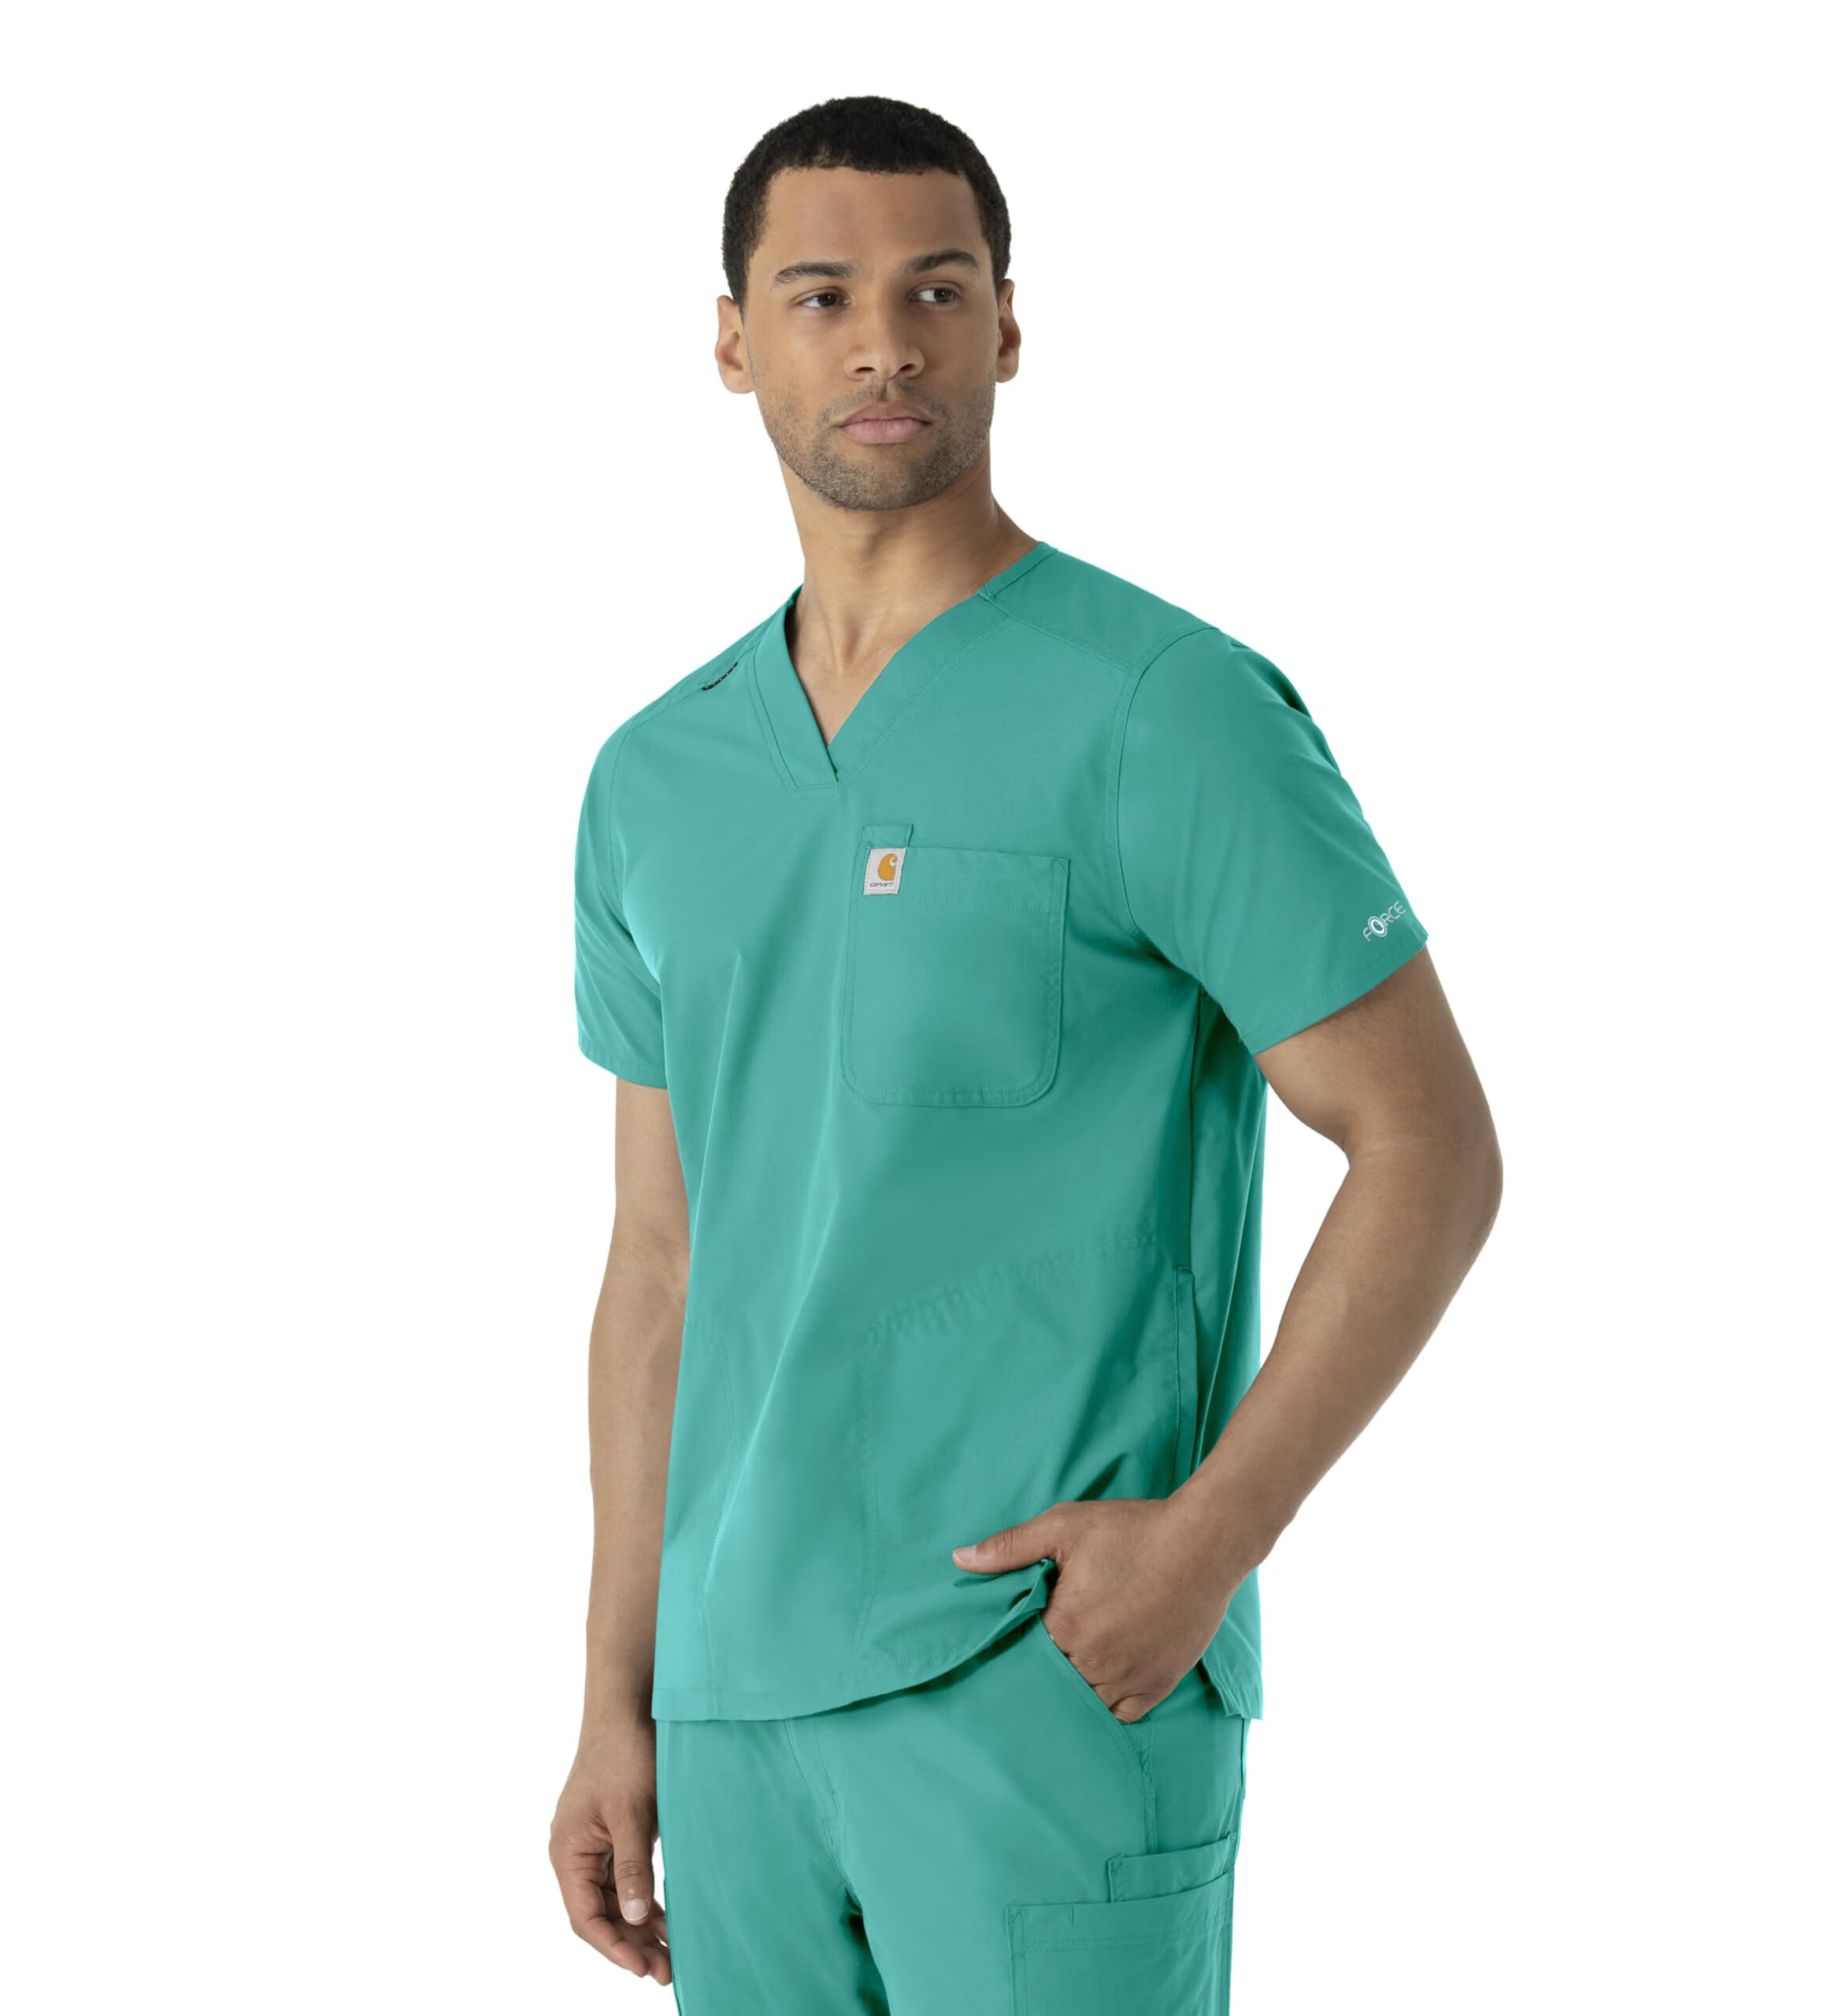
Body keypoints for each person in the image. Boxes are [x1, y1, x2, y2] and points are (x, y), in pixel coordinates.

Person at [547, 92, 1502, 2014]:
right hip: (732, 1711)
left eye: (935, 288)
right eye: (819, 295)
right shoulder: (655, 779)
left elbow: (1427, 1147)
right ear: (731, 340)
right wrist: (615, 1694)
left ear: (1006, 326)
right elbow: (659, 1264)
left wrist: (1206, 1542)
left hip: (1042, 1679)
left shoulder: (1165, 711)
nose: (882, 341)